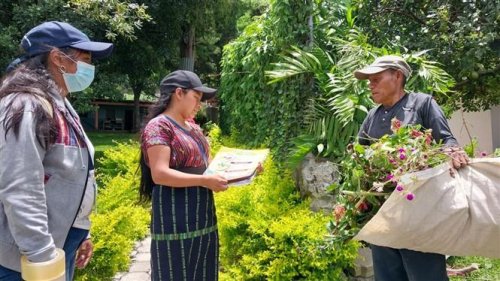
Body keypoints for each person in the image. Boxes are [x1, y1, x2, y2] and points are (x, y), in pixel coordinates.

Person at [0, 21, 113, 280]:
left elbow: (67, 174)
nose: (89, 67)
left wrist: (81, 230)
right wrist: (42, 257)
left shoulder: (59, 102)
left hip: (62, 243)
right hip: (27, 260)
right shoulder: (26, 105)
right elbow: (21, 188)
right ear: (58, 58)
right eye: (84, 58)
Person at [354, 55, 468, 281]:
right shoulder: (372, 116)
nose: (370, 84)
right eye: (369, 80)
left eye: (376, 78)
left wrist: (453, 151)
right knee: (388, 276)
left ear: (397, 76)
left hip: (419, 212)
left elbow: (446, 140)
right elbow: (358, 157)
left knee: (424, 274)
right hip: (384, 214)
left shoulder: (422, 104)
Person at [139, 70, 228, 281]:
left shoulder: (195, 129)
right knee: (174, 272)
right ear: (179, 93)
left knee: (203, 273)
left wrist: (246, 171)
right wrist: (203, 181)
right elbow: (160, 174)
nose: (200, 105)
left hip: (203, 216)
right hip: (174, 217)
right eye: (196, 98)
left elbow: (210, 168)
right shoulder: (159, 126)